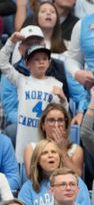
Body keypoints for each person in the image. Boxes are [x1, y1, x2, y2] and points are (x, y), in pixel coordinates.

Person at [0, 33, 66, 164]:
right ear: (27, 63)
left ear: (49, 62)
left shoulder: (57, 85)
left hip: (46, 141)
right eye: (36, 59)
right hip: (24, 139)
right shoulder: (21, 81)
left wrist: (63, 100)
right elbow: (2, 63)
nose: (41, 62)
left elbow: (63, 116)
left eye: (44, 59)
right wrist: (11, 42)